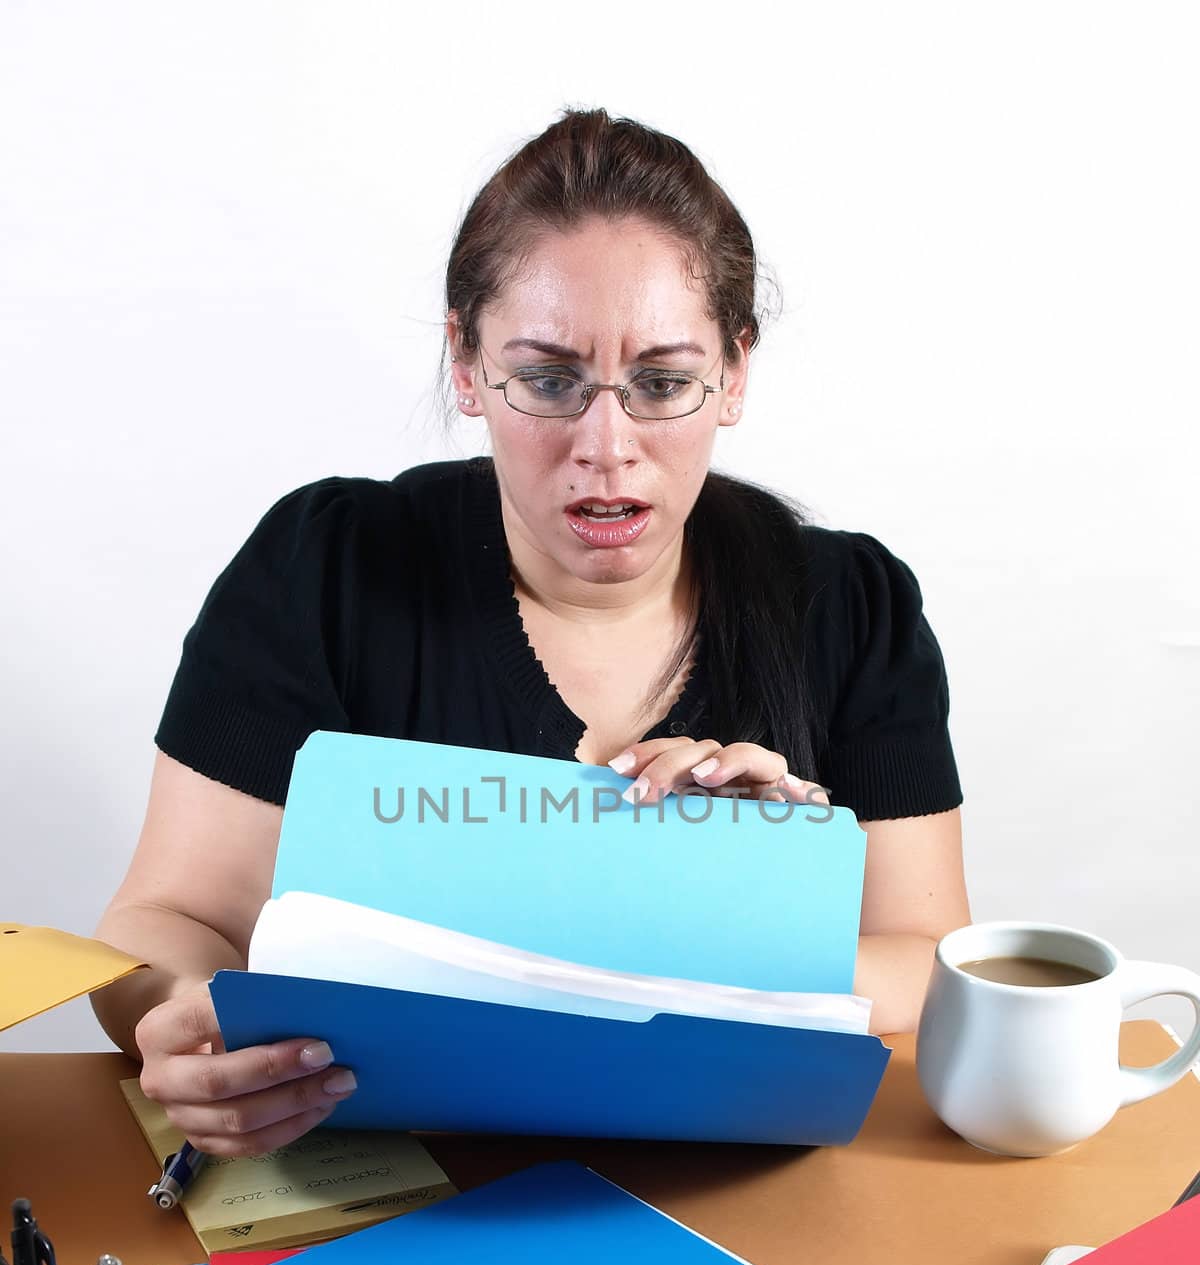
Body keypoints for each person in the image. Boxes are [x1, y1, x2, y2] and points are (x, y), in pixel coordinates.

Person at [91, 106, 970, 1162]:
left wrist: (758, 893)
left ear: (735, 373)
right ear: (466, 361)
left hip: (746, 1198)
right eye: (549, 380)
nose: (607, 447)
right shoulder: (320, 570)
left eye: (664, 382)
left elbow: (934, 957)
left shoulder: (851, 606)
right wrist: (183, 1020)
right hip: (376, 1192)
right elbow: (160, 918)